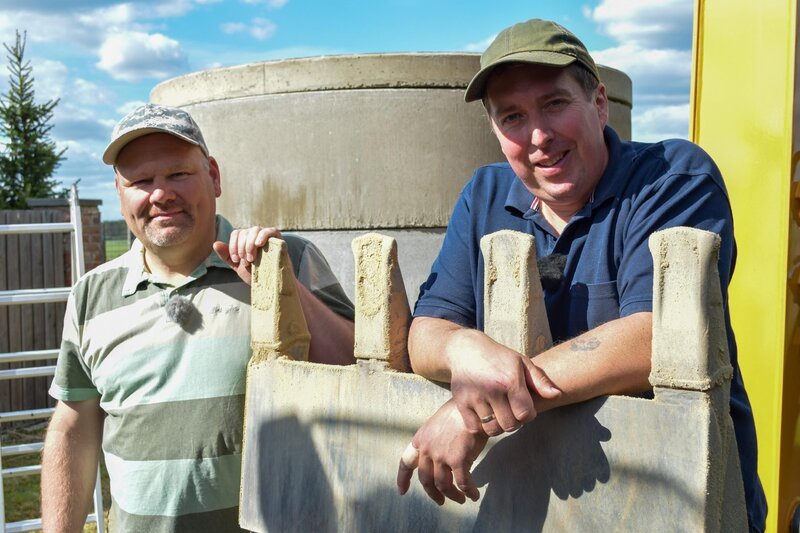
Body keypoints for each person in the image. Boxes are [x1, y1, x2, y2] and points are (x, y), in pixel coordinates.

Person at [395, 18, 766, 532]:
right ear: (496, 131)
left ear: (599, 102)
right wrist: (465, 350)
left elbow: (658, 335)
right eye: (513, 116)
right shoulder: (484, 196)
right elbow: (425, 333)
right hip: (536, 511)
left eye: (554, 103)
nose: (539, 136)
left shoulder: (672, 179)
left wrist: (472, 412)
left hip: (673, 504)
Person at [40, 103, 355, 532]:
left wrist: (282, 289)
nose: (160, 194)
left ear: (214, 176)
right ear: (119, 192)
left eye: (178, 174)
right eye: (141, 181)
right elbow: (73, 426)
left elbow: (357, 370)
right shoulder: (92, 295)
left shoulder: (284, 261)